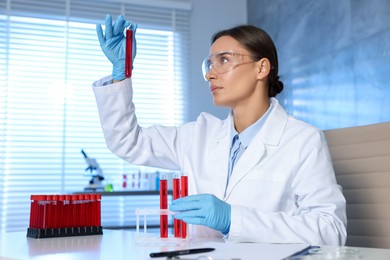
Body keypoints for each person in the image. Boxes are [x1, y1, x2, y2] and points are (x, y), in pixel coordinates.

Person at [92, 14, 347, 245]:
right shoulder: (198, 136)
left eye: (224, 60)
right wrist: (121, 75)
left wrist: (232, 220)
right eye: (209, 64)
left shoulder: (302, 140)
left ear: (262, 68)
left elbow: (330, 230)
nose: (210, 75)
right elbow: (127, 141)